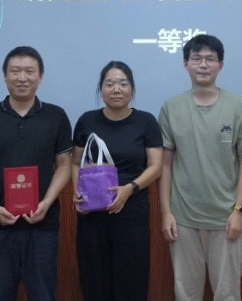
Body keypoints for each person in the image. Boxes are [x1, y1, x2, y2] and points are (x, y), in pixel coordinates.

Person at [159, 34, 242, 300]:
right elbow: (165, 164)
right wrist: (166, 213)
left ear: (221, 65)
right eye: (197, 59)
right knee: (185, 294)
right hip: (183, 220)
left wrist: (239, 211)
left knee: (227, 294)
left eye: (210, 59)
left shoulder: (238, 106)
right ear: (186, 64)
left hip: (226, 218)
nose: (203, 65)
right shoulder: (171, 107)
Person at [0, 46, 72, 301]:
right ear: (5, 76)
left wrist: (47, 202)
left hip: (42, 224)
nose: (22, 77)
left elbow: (64, 165)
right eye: (15, 71)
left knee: (43, 294)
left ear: (40, 76)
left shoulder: (56, 116)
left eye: (29, 71)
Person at [71, 61, 163, 301]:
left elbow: (156, 166)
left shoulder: (146, 121)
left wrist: (129, 189)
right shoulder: (87, 121)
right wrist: (77, 191)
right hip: (93, 215)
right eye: (109, 84)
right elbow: (75, 162)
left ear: (132, 89)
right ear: (100, 89)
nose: (116, 89)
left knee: (131, 280)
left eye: (123, 84)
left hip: (132, 213)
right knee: (95, 281)